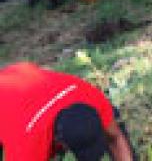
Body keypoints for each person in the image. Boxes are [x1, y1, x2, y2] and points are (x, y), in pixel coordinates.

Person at [0, 62, 135, 160]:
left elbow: (116, 137)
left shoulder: (92, 98)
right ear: (60, 141)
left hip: (22, 76)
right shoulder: (27, 147)